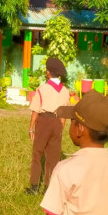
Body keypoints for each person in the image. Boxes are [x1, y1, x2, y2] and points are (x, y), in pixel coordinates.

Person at [25, 57, 70, 194]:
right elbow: (64, 114)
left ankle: (34, 186)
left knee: (37, 153)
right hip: (57, 122)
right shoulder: (65, 91)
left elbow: (36, 110)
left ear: (48, 73)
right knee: (53, 156)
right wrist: (60, 127)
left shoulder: (42, 88)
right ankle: (48, 187)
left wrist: (31, 128)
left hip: (44, 121)